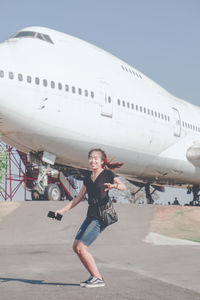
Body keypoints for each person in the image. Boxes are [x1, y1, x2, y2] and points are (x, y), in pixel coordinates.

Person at [55, 148, 126, 288]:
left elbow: (122, 186)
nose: (92, 160)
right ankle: (94, 276)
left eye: (95, 158)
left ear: (101, 161)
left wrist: (114, 186)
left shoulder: (107, 174)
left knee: (82, 248)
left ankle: (98, 278)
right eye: (90, 158)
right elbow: (78, 198)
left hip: (101, 216)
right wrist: (61, 211)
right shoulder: (88, 177)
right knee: (76, 247)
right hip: (91, 214)